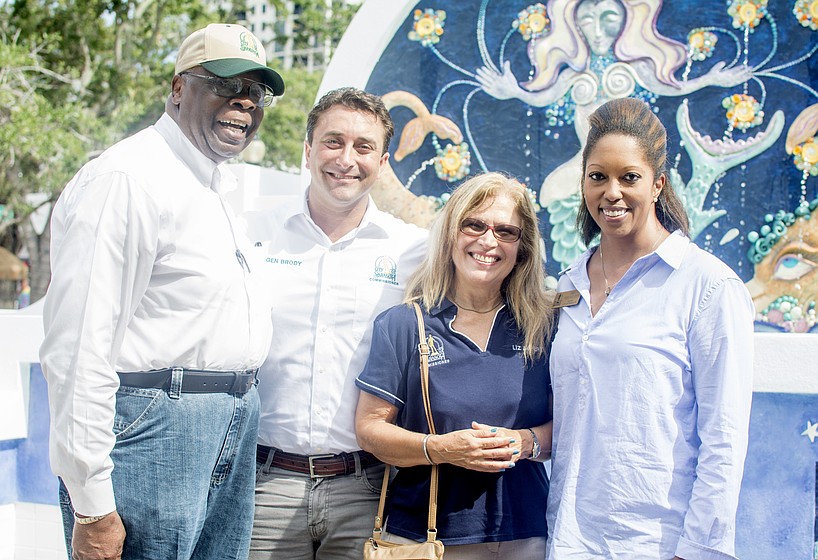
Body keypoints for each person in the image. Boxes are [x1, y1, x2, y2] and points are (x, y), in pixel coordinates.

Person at [39, 23, 284, 560]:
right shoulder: (129, 178)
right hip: (154, 432)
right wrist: (92, 505)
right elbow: (78, 347)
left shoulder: (212, 186)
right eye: (225, 85)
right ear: (178, 88)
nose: (244, 103)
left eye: (256, 91)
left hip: (230, 422)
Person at [547, 97, 754, 559]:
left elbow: (725, 436)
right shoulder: (568, 284)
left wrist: (697, 550)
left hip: (653, 544)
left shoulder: (707, 286)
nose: (611, 191)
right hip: (566, 536)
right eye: (598, 176)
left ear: (658, 184)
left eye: (630, 177)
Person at [245, 87, 428, 559]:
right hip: (264, 484)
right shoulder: (251, 235)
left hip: (366, 488)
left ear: (383, 162)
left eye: (364, 147)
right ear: (307, 151)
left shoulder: (412, 252)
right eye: (333, 142)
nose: (347, 159)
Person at [354, 172, 555, 559]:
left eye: (505, 231)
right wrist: (441, 449)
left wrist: (526, 442)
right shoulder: (404, 324)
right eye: (473, 225)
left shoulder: (543, 329)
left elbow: (574, 424)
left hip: (525, 534)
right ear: (450, 235)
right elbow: (370, 430)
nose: (488, 241)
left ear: (522, 248)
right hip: (427, 539)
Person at [475, 0, 752, 268]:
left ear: (657, 185)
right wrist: (509, 89)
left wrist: (712, 80)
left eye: (630, 178)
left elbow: (673, 86)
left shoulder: (707, 280)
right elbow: (539, 95)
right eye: (587, 20)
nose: (597, 31)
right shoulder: (574, 282)